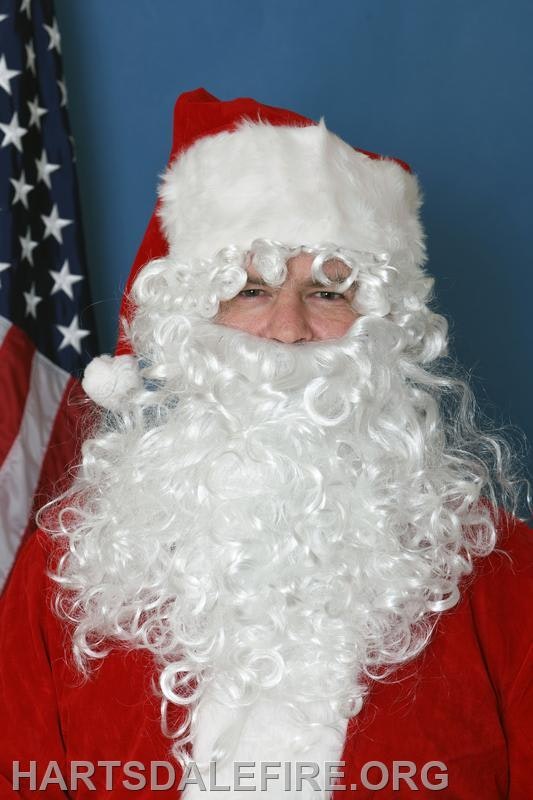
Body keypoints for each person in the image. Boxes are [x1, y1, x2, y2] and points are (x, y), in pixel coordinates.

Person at [0, 88, 531, 799]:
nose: (288, 330)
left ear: (387, 329)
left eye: (327, 294)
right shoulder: (66, 572)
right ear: (190, 321)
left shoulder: (504, 574)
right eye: (250, 290)